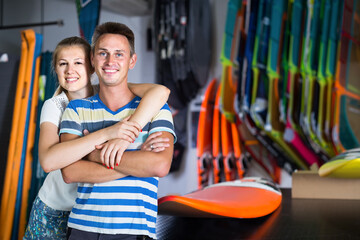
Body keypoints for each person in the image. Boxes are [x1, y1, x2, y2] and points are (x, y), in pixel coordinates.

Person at [23, 36, 171, 239]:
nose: (70, 70)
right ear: (55, 70)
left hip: (85, 210)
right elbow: (50, 162)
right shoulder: (56, 105)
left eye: (78, 63)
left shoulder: (106, 92)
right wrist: (118, 143)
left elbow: (160, 91)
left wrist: (96, 154)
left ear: (92, 65)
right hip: (55, 207)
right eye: (62, 64)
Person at [59, 22, 175, 240]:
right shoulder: (76, 109)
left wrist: (93, 155)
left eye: (119, 54)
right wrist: (139, 160)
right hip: (82, 230)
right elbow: (70, 172)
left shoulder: (156, 108)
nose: (110, 62)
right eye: (103, 53)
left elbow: (159, 165)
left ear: (132, 61)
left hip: (134, 232)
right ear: (93, 60)